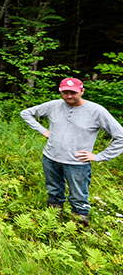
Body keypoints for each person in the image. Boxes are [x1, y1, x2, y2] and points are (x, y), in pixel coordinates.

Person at [20, 77, 123, 225]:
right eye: (65, 92)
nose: (69, 96)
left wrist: (100, 156)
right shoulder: (54, 105)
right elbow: (26, 113)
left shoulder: (97, 111)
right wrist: (43, 131)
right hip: (51, 158)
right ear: (60, 92)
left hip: (77, 163)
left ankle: (78, 229)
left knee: (79, 197)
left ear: (82, 91)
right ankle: (53, 222)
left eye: (73, 92)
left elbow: (120, 136)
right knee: (54, 192)